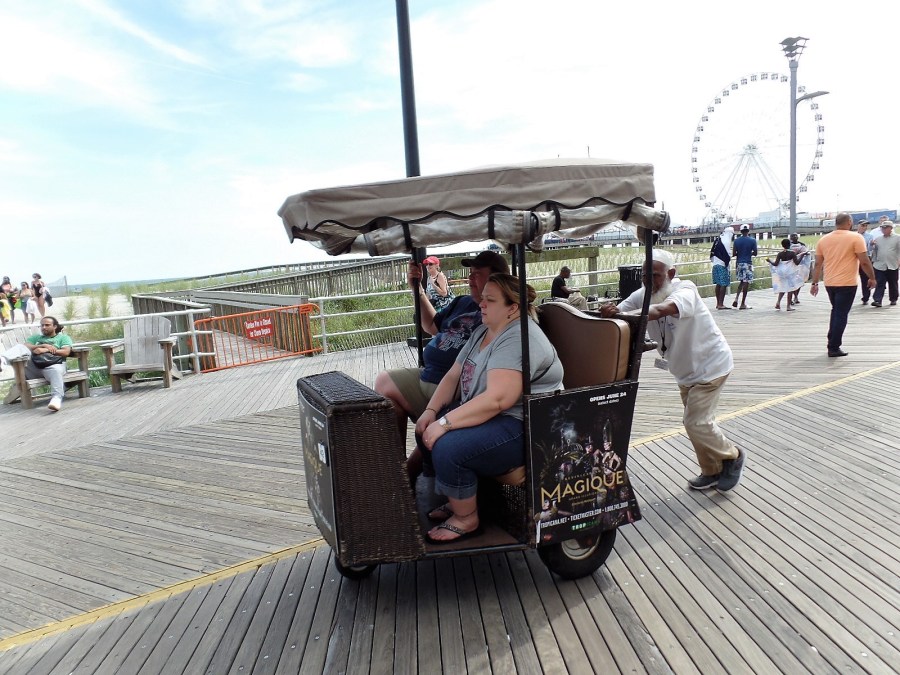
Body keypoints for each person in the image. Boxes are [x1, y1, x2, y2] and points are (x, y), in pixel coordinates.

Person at [416, 273, 564, 543]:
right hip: (497, 416)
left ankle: (466, 518)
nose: (481, 304)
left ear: (513, 308)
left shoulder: (519, 337)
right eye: (483, 298)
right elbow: (453, 375)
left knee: (450, 448)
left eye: (490, 300)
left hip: (527, 425)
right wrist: (430, 412)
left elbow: (499, 399)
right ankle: (459, 496)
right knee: (426, 427)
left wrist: (445, 424)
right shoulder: (485, 330)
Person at [600, 249, 745, 492]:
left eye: (655, 275)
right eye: (644, 275)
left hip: (710, 366)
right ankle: (711, 471)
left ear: (671, 273)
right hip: (683, 370)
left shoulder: (685, 289)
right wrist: (610, 310)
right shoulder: (643, 294)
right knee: (697, 422)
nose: (648, 280)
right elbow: (620, 314)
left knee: (695, 422)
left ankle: (732, 455)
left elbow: (662, 310)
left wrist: (626, 314)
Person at [373, 250, 509, 478]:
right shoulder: (462, 302)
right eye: (470, 273)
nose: (470, 279)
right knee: (383, 383)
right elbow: (432, 325)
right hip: (430, 375)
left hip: (458, 390)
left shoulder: (500, 312)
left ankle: (409, 471)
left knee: (436, 417)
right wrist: (417, 291)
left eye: (477, 274)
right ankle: (397, 466)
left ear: (497, 279)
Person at [809, 212, 876, 357]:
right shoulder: (856, 238)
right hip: (847, 283)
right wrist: (872, 277)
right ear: (849, 222)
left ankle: (831, 341)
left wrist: (814, 283)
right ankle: (833, 347)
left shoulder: (823, 240)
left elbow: (818, 264)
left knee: (836, 311)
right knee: (841, 314)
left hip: (830, 283)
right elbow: (864, 261)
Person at [0, 316, 73, 412]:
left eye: (47, 325)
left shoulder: (63, 338)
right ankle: (2, 360)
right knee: (20, 347)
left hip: (53, 366)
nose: (44, 327)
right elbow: (25, 346)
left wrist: (46, 350)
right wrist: (42, 345)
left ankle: (56, 398)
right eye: (42, 325)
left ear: (55, 326)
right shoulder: (36, 338)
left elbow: (66, 352)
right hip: (34, 368)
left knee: (55, 370)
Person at [766, 239, 806, 311]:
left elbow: (776, 264)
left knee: (782, 287)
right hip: (790, 273)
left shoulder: (780, 254)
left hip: (782, 273)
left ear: (782, 245)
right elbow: (797, 263)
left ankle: (778, 302)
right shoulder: (792, 253)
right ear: (789, 245)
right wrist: (802, 255)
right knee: (790, 289)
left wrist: (769, 261)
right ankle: (788, 306)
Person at [869, 221, 900, 307]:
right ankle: (877, 300)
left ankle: (893, 299)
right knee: (880, 282)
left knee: (893, 283)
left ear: (891, 228)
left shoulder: (897, 238)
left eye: (886, 227)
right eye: (882, 228)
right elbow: (874, 251)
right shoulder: (878, 239)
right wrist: (873, 261)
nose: (884, 229)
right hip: (880, 264)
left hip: (892, 264)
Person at [731, 225, 757, 309]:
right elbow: (755, 253)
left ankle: (736, 298)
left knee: (741, 282)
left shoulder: (736, 241)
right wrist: (749, 253)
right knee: (746, 282)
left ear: (741, 231)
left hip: (739, 263)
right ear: (748, 231)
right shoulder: (752, 240)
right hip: (747, 263)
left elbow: (734, 254)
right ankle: (743, 303)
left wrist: (740, 253)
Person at [710, 227, 734, 310]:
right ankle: (721, 304)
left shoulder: (718, 239)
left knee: (718, 284)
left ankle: (718, 303)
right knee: (723, 284)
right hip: (722, 265)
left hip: (715, 264)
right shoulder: (726, 241)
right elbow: (728, 254)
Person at [788, 233, 812, 305]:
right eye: (793, 236)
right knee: (792, 283)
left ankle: (796, 296)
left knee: (799, 282)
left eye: (796, 235)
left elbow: (807, 253)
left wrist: (804, 254)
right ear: (790, 237)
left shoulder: (802, 245)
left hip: (801, 266)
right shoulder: (789, 245)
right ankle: (791, 298)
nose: (795, 237)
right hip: (792, 266)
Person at [855, 221, 875, 305]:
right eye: (863, 225)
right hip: (854, 259)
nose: (864, 227)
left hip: (864, 258)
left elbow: (869, 250)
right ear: (858, 226)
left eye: (866, 226)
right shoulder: (853, 236)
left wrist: (871, 244)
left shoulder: (869, 236)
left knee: (865, 279)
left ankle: (866, 297)